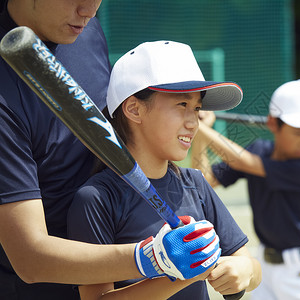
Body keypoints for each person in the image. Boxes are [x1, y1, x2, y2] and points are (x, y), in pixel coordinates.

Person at [0, 1, 222, 299]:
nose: (89, 10)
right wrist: (151, 257)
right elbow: (29, 257)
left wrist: (181, 114)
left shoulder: (83, 29)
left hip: (123, 240)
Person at [67, 40, 261, 300]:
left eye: (197, 108)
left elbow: (252, 268)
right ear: (134, 109)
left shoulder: (194, 183)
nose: (194, 122)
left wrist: (244, 269)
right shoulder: (97, 198)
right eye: (182, 105)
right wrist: (178, 273)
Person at [192, 79, 300, 300]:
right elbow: (202, 179)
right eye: (298, 133)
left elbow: (245, 162)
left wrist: (198, 125)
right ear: (273, 124)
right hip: (267, 271)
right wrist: (200, 134)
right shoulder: (260, 149)